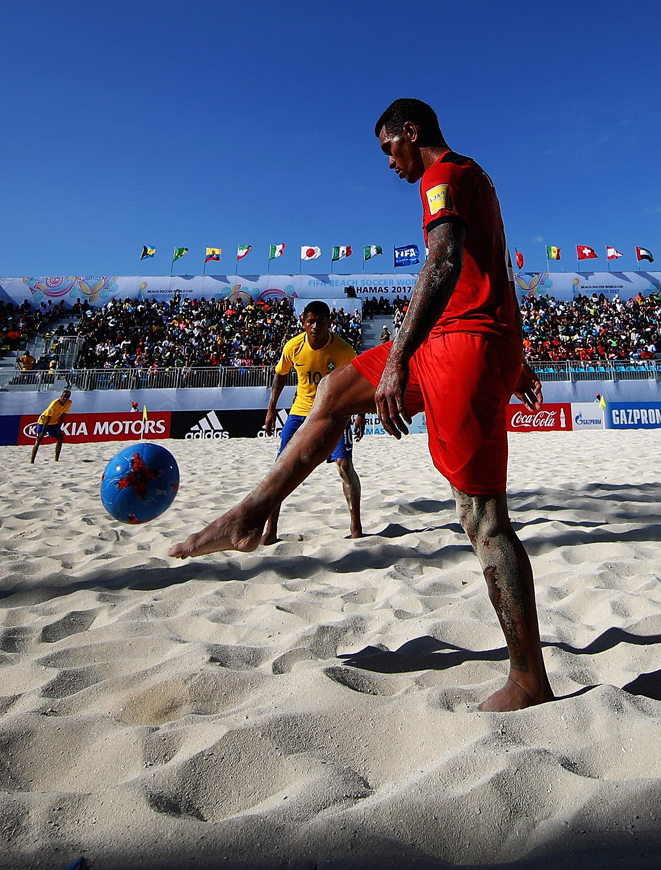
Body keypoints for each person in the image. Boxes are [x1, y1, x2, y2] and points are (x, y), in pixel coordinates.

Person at [169, 98, 553, 712]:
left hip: (461, 349)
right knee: (334, 392)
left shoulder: (444, 174)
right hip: (460, 339)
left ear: (410, 132)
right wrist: (516, 355)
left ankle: (529, 680)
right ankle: (251, 513)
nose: (388, 163)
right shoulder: (474, 176)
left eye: (387, 149)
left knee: (483, 521)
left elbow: (447, 261)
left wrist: (402, 358)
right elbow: (492, 270)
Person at [263, 300, 365, 543]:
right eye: (311, 321)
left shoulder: (343, 349)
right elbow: (280, 376)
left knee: (344, 466)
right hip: (301, 412)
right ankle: (271, 531)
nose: (316, 326)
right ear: (303, 323)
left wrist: (360, 413)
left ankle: (356, 529)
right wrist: (271, 410)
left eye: (321, 321)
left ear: (329, 323)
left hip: (336, 412)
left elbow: (362, 378)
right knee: (281, 468)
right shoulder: (293, 347)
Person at [30, 389, 71, 463]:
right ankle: (32, 461)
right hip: (43, 422)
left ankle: (56, 459)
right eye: (63, 397)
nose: (65, 399)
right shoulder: (54, 403)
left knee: (60, 437)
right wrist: (43, 432)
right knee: (39, 439)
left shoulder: (69, 403)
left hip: (53, 422)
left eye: (67, 398)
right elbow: (47, 418)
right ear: (61, 397)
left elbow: (63, 417)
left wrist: (59, 428)